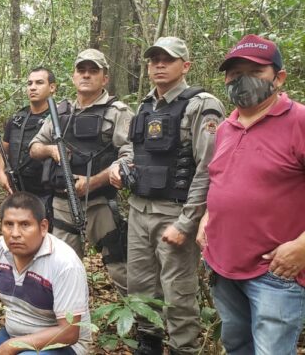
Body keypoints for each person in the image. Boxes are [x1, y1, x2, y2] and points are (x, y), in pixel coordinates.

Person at [109, 37, 224, 355]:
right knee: (141, 288)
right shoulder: (145, 105)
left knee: (177, 293)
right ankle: (148, 344)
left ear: (185, 66)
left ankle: (183, 347)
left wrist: (188, 222)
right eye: (154, 59)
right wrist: (121, 165)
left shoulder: (202, 104)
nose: (159, 64)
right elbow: (133, 148)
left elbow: (209, 167)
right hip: (138, 210)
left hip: (175, 212)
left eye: (167, 59)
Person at [198, 34, 305, 354]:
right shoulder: (225, 128)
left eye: (255, 72)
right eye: (234, 74)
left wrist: (302, 246)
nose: (242, 81)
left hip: (275, 272)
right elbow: (221, 181)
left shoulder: (299, 120)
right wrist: (207, 218)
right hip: (223, 267)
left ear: (279, 76)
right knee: (236, 346)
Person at [29, 49, 133, 296]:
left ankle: (144, 327)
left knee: (121, 268)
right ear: (74, 76)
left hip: (99, 205)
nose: (86, 75)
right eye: (81, 70)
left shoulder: (117, 112)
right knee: (62, 270)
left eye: (93, 71)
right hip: (63, 203)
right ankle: (65, 327)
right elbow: (33, 148)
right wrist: (51, 150)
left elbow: (130, 156)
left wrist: (94, 182)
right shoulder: (60, 112)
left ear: (104, 78)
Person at [0, 192, 91, 355]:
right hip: (14, 333)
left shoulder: (64, 263)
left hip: (62, 345)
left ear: (43, 227)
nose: (15, 233)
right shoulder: (1, 247)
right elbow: (5, 282)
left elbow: (69, 332)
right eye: (9, 224)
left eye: (25, 224)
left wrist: (13, 345)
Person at [0, 66, 57, 218]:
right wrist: (0, 172)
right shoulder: (17, 119)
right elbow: (4, 149)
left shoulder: (59, 118)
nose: (33, 87)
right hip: (18, 191)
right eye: (29, 83)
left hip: (48, 194)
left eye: (39, 83)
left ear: (52, 87)